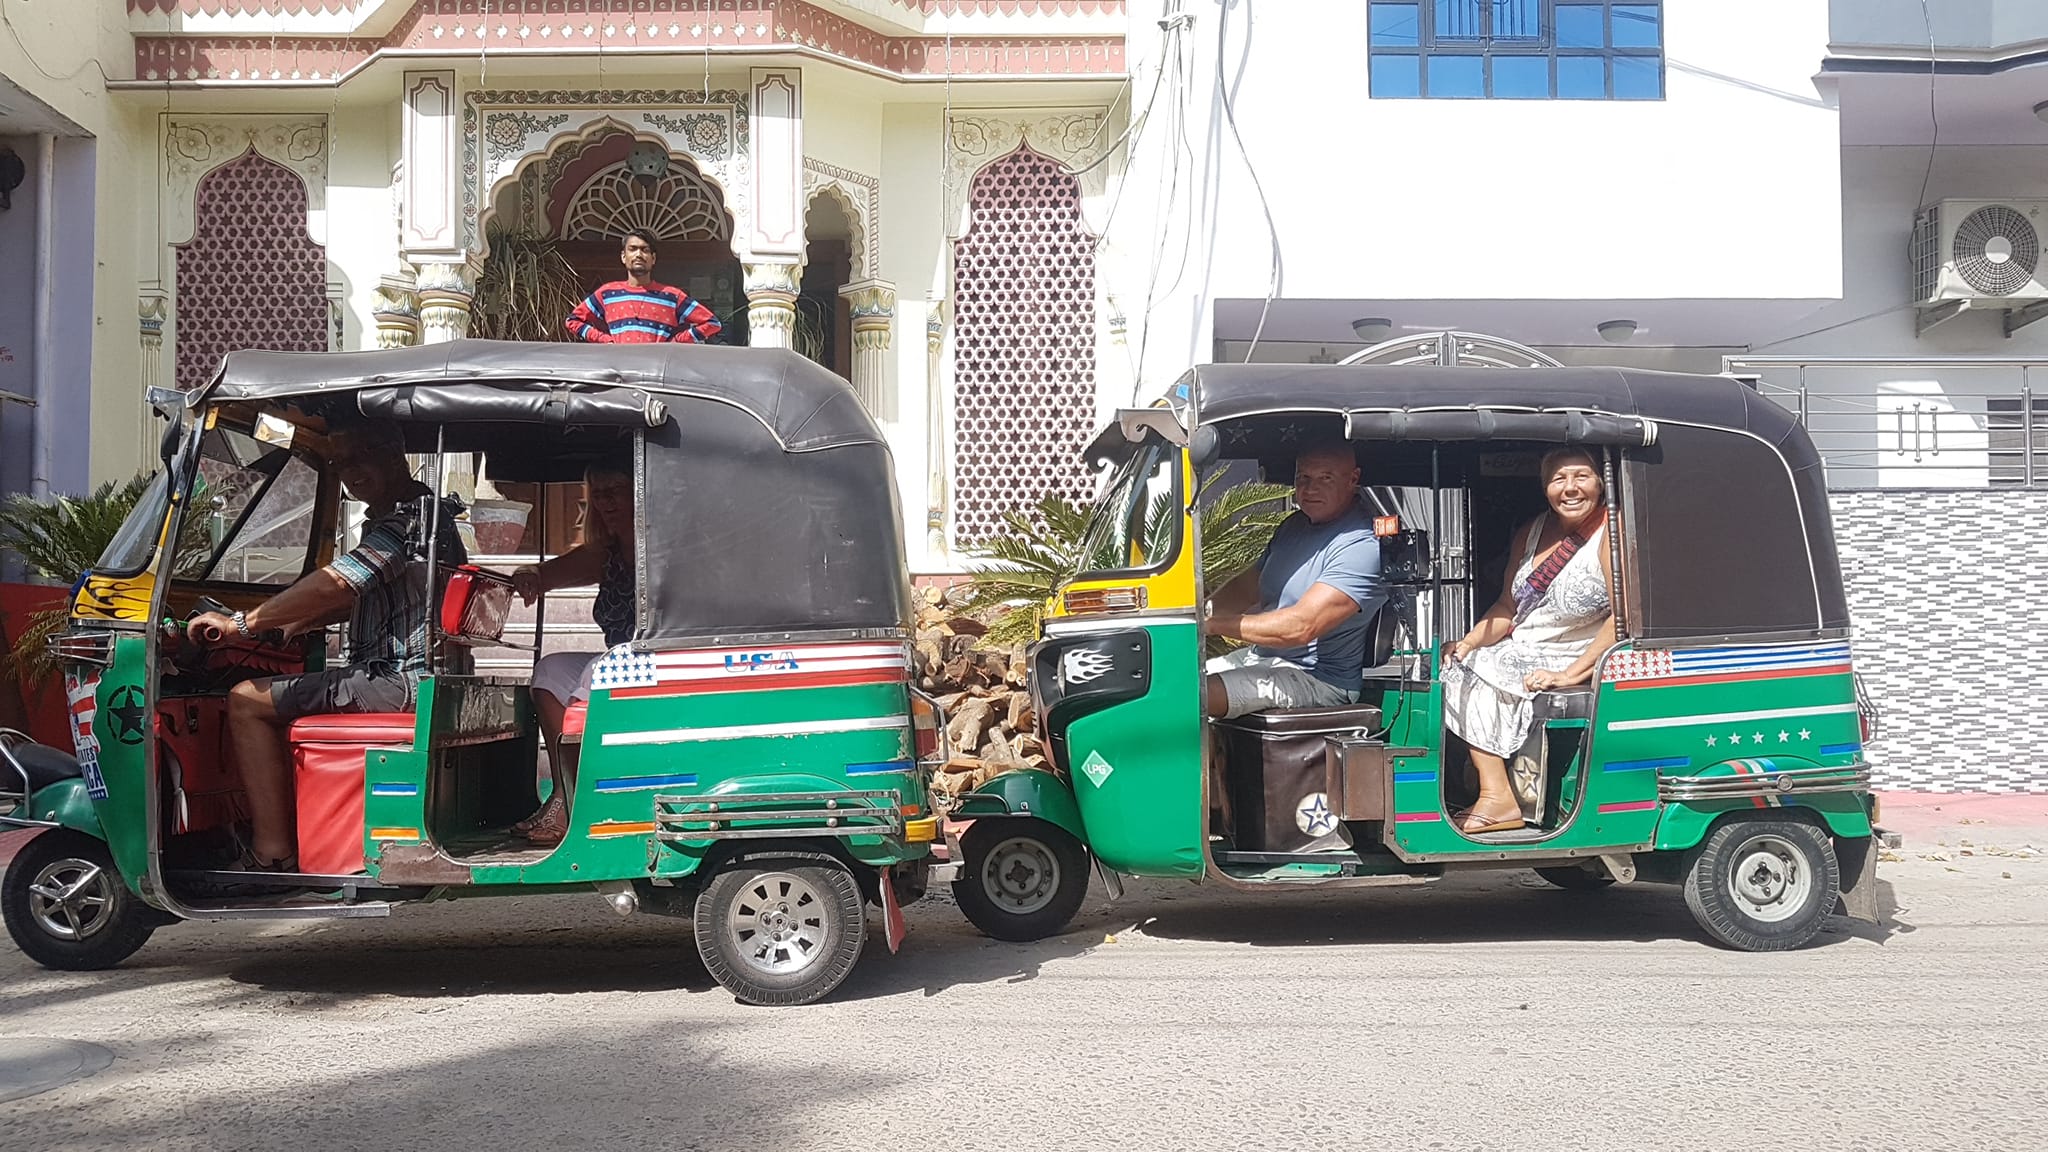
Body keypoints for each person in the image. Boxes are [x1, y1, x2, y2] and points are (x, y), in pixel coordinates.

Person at [188, 421, 465, 872]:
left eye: (362, 456)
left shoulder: (408, 520)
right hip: (416, 678)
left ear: (394, 453)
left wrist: (241, 624)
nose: (350, 471)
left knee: (245, 701)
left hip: (399, 680)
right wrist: (290, 624)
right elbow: (362, 597)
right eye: (340, 462)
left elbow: (339, 582)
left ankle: (272, 853)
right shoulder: (424, 513)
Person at [1441, 447, 1616, 836]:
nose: (1570, 488)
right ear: (1545, 487)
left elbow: (1624, 617)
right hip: (1521, 648)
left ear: (1600, 483)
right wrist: (1467, 643)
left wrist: (1569, 675)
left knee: (1472, 671)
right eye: (1559, 479)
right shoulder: (1532, 532)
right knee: (1452, 664)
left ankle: (1497, 797)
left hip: (1576, 654)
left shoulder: (1611, 533)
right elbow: (1507, 607)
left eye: (1581, 477)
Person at [1202, 441, 1388, 719]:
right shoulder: (1292, 526)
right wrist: (1197, 611)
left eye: (1325, 478)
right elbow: (1246, 587)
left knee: (1195, 695)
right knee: (1172, 682)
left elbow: (1301, 626)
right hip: (1263, 658)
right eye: (1303, 477)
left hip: (1317, 680)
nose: (1310, 489)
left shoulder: (1361, 543)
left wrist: (1210, 625)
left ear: (1353, 479)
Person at [507, 459, 635, 846]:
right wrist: (528, 573)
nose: (605, 502)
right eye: (598, 494)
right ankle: (566, 790)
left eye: (615, 492)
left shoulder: (663, 548)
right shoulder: (607, 552)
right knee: (549, 672)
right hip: (618, 658)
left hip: (659, 656)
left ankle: (574, 803)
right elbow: (545, 574)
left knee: (595, 672)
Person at [563, 228, 722, 345]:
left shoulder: (672, 296)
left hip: (656, 373)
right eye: (633, 249)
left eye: (645, 250)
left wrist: (676, 343)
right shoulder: (607, 294)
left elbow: (712, 323)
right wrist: (605, 340)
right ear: (623, 257)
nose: (638, 254)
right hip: (619, 373)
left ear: (653, 259)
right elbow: (573, 320)